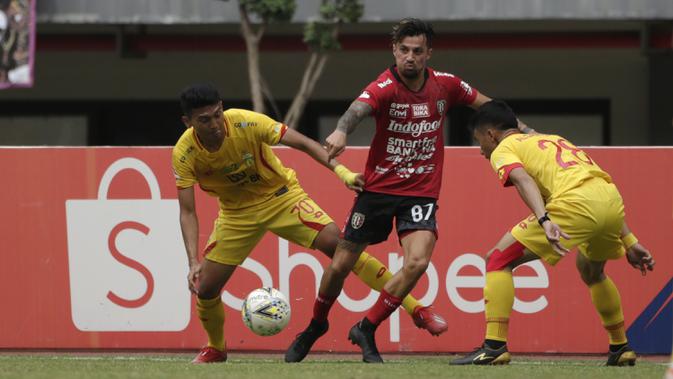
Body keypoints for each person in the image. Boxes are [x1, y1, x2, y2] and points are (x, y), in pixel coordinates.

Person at [285, 18, 526, 363]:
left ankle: (366, 327)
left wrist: (523, 130)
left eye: (417, 51)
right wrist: (341, 131)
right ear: (394, 51)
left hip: (420, 193)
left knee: (417, 262)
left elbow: (489, 108)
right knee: (340, 265)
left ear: (429, 53)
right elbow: (357, 110)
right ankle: (315, 325)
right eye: (404, 50)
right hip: (378, 190)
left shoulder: (447, 85)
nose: (410, 57)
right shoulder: (384, 86)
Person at [172, 83, 447, 364]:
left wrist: (343, 173)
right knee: (205, 287)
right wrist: (193, 260)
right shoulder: (184, 153)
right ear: (188, 122)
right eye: (204, 120)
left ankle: (417, 309)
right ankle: (216, 348)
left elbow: (303, 143)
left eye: (217, 114)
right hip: (236, 215)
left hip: (282, 199)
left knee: (342, 249)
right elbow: (187, 211)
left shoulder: (246, 122)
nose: (215, 124)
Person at [450, 100, 655, 366]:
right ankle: (620, 347)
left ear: (491, 134)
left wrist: (544, 219)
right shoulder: (553, 139)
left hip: (575, 204)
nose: (481, 151)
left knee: (497, 258)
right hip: (611, 201)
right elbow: (596, 187)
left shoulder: (505, 147)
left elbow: (522, 179)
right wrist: (629, 240)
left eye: (479, 142)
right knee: (591, 270)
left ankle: (493, 346)